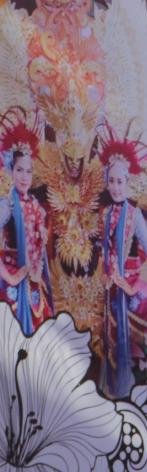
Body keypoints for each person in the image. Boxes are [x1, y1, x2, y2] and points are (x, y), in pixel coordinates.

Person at [98, 137, 147, 397]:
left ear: (128, 183)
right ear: (107, 182)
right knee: (110, 342)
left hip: (128, 295)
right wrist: (106, 275)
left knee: (127, 347)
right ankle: (112, 393)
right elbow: (104, 251)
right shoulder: (106, 214)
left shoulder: (133, 214)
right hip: (111, 292)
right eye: (112, 181)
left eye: (121, 182)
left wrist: (132, 285)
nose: (116, 188)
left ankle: (128, 395)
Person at [0, 121, 53, 335]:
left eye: (29, 171)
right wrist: (9, 277)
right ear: (11, 170)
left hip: (33, 284)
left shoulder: (34, 204)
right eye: (19, 170)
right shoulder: (7, 204)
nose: (24, 177)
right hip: (12, 283)